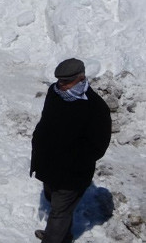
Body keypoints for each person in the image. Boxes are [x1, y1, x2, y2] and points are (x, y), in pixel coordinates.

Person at [30, 58, 111, 243]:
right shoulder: (55, 91)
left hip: (71, 173)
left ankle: (53, 238)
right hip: (48, 166)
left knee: (60, 211)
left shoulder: (96, 107)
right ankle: (61, 236)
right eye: (59, 80)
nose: (61, 85)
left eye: (66, 81)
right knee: (55, 203)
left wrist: (71, 161)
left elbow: (98, 147)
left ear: (81, 78)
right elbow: (46, 121)